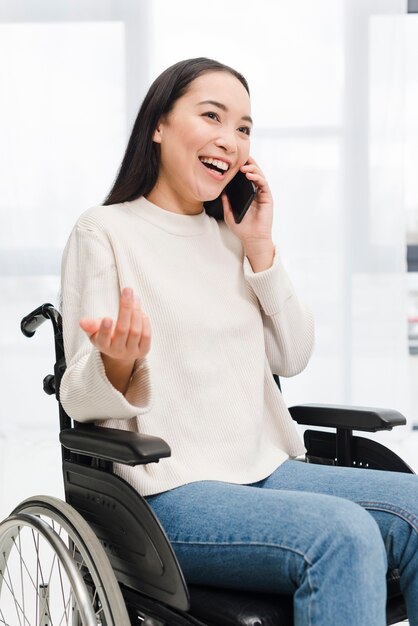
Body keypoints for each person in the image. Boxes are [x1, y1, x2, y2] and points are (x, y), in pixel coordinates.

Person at [60, 57, 418, 626]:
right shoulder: (104, 231)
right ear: (158, 124)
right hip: (168, 491)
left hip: (268, 468)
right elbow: (78, 399)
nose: (231, 139)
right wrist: (115, 363)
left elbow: (293, 355)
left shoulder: (233, 236)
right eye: (212, 116)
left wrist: (260, 247)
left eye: (245, 128)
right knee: (342, 534)